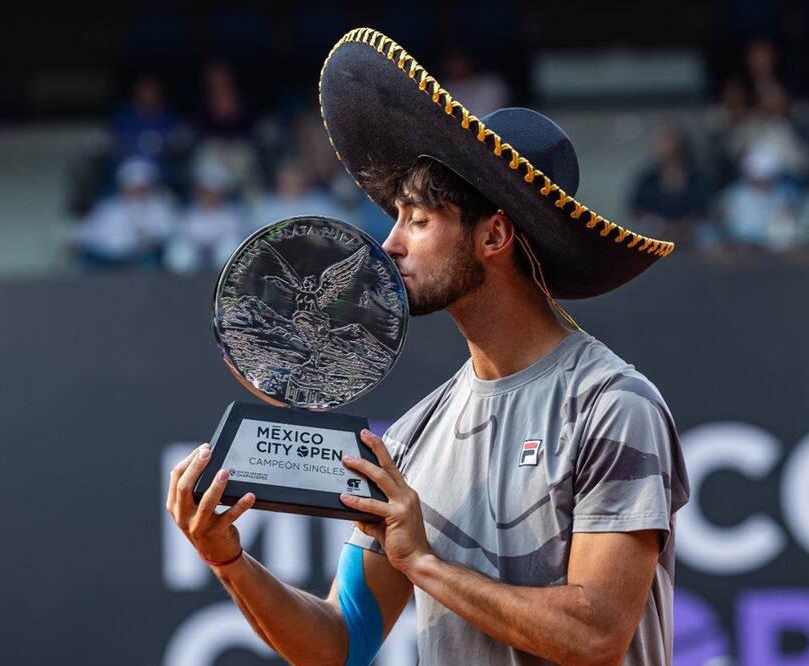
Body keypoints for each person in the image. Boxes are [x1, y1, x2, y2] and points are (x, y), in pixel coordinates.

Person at [167, 29, 689, 666]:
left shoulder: (612, 406)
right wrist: (229, 561)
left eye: (418, 221)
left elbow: (596, 634)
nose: (390, 245)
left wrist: (423, 563)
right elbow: (341, 643)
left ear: (493, 234)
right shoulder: (413, 436)